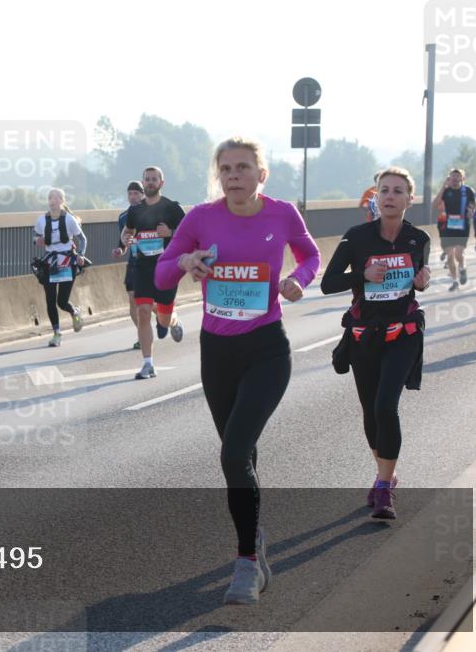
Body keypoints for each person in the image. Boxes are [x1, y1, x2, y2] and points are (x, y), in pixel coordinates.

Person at [155, 137, 320, 604]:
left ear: (260, 174)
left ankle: (247, 563)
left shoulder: (282, 213)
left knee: (232, 454)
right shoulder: (201, 218)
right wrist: (184, 260)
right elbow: (162, 275)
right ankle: (256, 538)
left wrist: (296, 281)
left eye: (243, 167)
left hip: (267, 349)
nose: (233, 175)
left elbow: (310, 256)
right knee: (241, 457)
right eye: (225, 168)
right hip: (218, 353)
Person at [322, 167, 430, 520]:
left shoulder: (418, 239)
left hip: (404, 334)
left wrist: (422, 279)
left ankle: (383, 490)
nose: (390, 196)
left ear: (409, 199)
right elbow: (328, 283)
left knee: (386, 406)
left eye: (398, 191)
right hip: (363, 336)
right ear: (375, 196)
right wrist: (362, 275)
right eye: (384, 190)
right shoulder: (356, 237)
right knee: (370, 412)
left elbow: (417, 280)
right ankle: (387, 473)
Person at [121, 166, 186, 380]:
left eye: (154, 179)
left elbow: (190, 234)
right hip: (142, 267)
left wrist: (171, 232)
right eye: (147, 179)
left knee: (164, 319)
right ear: (143, 182)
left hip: (167, 268)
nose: (150, 182)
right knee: (143, 312)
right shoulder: (135, 210)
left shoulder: (172, 208)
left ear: (161, 183)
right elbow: (128, 231)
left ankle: (173, 320)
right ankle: (148, 363)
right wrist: (126, 239)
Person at [34, 187, 87, 347]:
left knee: (61, 301)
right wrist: (38, 240)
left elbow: (82, 239)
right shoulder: (42, 220)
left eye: (57, 198)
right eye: (50, 197)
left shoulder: (69, 219)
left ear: (62, 201)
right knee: (50, 300)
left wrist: (81, 255)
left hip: (67, 260)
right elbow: (35, 236)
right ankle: (57, 334)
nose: (53, 200)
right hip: (50, 262)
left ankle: (74, 312)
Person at [112, 181, 149, 349]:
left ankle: (167, 318)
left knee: (151, 303)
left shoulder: (151, 212)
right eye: (130, 194)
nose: (133, 197)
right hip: (134, 262)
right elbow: (124, 241)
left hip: (152, 261)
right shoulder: (123, 217)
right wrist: (120, 250)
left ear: (143, 195)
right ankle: (142, 336)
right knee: (133, 299)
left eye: (136, 193)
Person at [433, 169, 476, 290]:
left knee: (458, 253)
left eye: (457, 178)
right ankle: (455, 281)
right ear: (449, 179)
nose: (455, 180)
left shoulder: (468, 191)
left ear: (462, 179)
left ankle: (462, 267)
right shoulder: (446, 191)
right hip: (448, 226)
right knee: (449, 255)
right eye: (452, 178)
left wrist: (472, 208)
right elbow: (435, 204)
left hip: (463, 226)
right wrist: (443, 186)